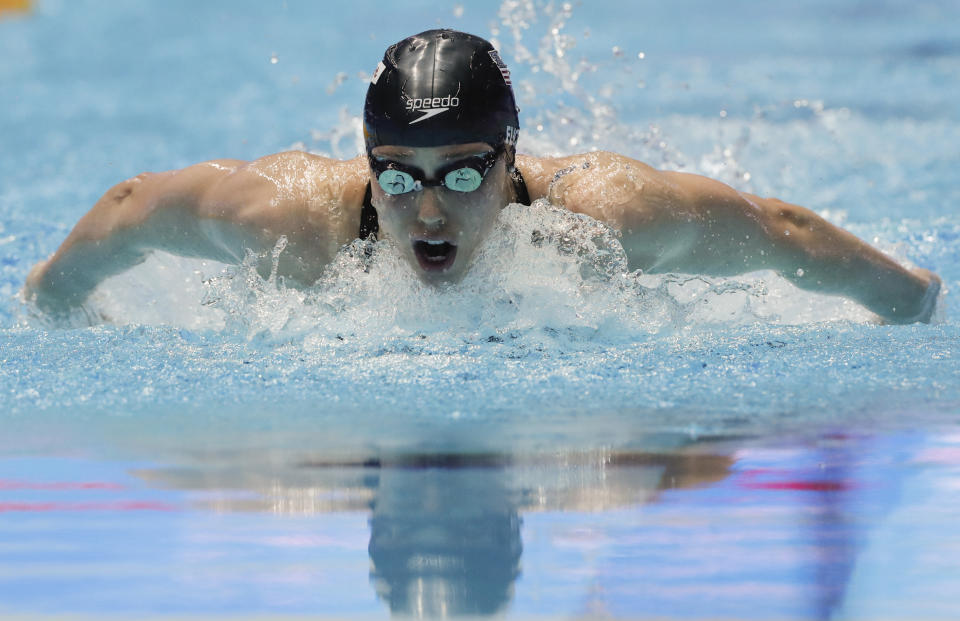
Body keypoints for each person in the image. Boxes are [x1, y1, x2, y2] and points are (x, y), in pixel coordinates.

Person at [23, 29, 941, 324]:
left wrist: (914, 303)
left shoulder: (605, 219)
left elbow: (781, 232)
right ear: (366, 166)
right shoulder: (294, 219)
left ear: (508, 166)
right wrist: (57, 305)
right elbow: (131, 206)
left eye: (462, 177)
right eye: (397, 177)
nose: (425, 210)